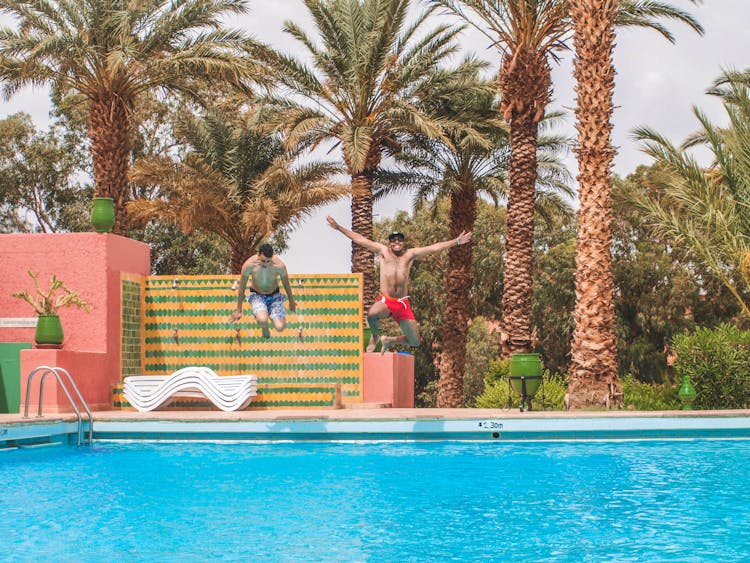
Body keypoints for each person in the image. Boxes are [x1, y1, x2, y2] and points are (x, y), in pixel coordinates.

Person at [327, 216, 472, 352]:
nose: (396, 242)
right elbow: (360, 239)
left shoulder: (410, 255)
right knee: (372, 314)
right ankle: (375, 336)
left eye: (399, 240)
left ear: (403, 243)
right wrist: (338, 227)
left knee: (415, 341)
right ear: (389, 243)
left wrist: (457, 241)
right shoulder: (383, 251)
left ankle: (389, 340)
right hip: (386, 301)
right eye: (393, 240)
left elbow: (435, 247)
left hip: (402, 303)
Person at [230, 243, 296, 338]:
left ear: (272, 256)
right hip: (257, 295)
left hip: (274, 296)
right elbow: (242, 287)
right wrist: (239, 309)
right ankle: (264, 327)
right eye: (263, 261)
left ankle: (270, 315)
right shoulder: (249, 265)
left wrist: (291, 301)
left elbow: (286, 284)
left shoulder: (279, 265)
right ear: (258, 254)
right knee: (262, 319)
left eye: (268, 261)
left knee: (280, 327)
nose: (265, 264)